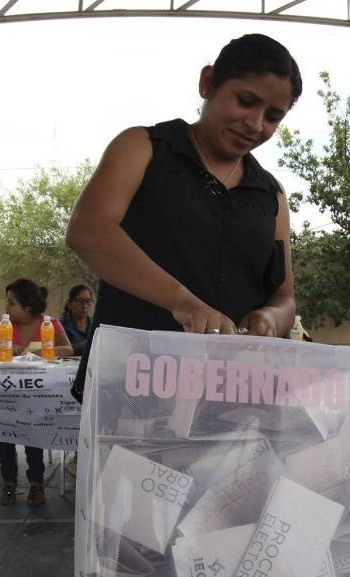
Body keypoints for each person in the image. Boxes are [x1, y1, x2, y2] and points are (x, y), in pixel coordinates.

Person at [65, 32, 300, 369]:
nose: (255, 124)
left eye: (273, 116)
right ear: (208, 83)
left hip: (233, 390)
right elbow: (87, 229)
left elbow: (284, 297)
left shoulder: (271, 194)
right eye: (246, 101)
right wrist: (185, 304)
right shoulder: (142, 148)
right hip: (134, 386)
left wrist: (271, 319)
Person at [0, 277, 73, 507]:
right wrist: (4, 349)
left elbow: (68, 349)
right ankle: (9, 483)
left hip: (36, 395)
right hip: (5, 394)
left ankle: (36, 484)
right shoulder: (3, 326)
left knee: (34, 438)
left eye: (11, 303)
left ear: (27, 306)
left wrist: (42, 351)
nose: (6, 307)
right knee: (4, 439)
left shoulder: (50, 324)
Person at [59, 284, 95, 356]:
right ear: (69, 304)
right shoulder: (61, 325)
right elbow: (64, 350)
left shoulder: (95, 324)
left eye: (88, 301)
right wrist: (88, 344)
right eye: (80, 301)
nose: (85, 306)